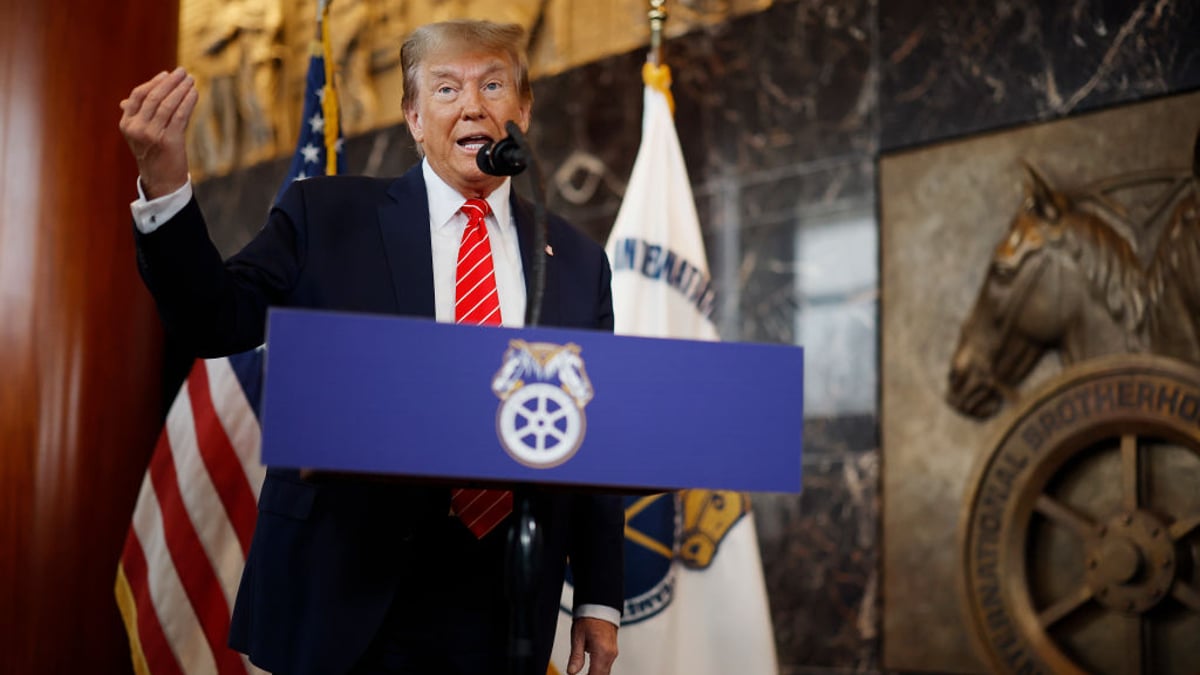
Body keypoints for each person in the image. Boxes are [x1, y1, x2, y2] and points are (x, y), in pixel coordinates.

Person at [119, 20, 623, 675]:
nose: (473, 105)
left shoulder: (578, 260)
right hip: (346, 584)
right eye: (446, 89)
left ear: (523, 109)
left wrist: (599, 597)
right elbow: (217, 321)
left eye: (493, 85)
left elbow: (593, 433)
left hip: (501, 602)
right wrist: (165, 185)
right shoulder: (325, 216)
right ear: (414, 118)